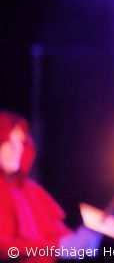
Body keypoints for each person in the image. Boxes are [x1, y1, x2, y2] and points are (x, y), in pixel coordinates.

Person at [0, 110, 101, 262]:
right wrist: (57, 247)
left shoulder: (31, 191)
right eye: (8, 141)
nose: (17, 148)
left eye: (20, 142)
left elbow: (56, 233)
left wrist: (82, 239)